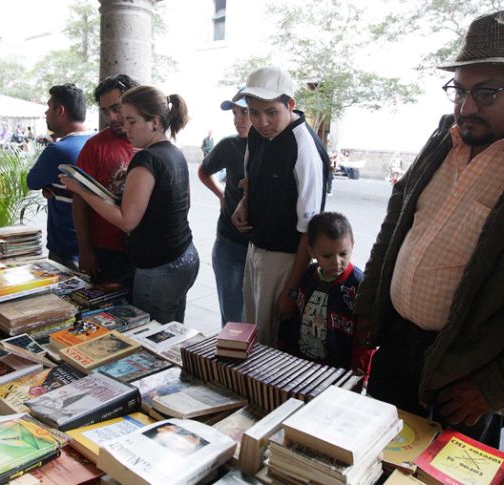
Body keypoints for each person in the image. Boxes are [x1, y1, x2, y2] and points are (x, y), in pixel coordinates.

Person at [352, 10, 504, 448]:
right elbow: (395, 228)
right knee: (377, 461)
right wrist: (368, 313)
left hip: (471, 375)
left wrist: (497, 389)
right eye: (460, 90)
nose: (466, 108)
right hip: (397, 348)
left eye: (486, 93)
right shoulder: (447, 134)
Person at [61, 85, 199, 324]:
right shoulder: (174, 152)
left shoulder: (147, 158)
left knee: (153, 334)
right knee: (174, 330)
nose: (125, 129)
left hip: (159, 266)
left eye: (131, 122)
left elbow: (127, 221)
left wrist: (81, 189)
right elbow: (183, 204)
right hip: (184, 255)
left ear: (155, 122)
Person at [231, 65, 330, 346]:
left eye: (271, 112)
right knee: (252, 332)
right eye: (254, 112)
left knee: (270, 342)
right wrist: (244, 202)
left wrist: (291, 290)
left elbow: (309, 229)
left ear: (290, 105)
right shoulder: (255, 135)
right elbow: (252, 178)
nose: (262, 122)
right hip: (254, 248)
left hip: (284, 259)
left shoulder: (304, 148)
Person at [278, 212, 373, 372]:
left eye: (343, 254)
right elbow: (292, 318)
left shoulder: (359, 286)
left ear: (352, 245)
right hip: (299, 366)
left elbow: (365, 336)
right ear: (312, 252)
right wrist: (283, 346)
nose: (337, 262)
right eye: (327, 256)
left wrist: (359, 373)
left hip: (338, 373)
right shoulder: (306, 276)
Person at [73, 74, 139, 291]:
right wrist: (85, 249)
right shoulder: (95, 146)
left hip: (144, 250)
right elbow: (79, 199)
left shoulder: (151, 141)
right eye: (105, 111)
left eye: (117, 108)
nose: (111, 117)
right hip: (107, 249)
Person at [197, 89, 251, 326]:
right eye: (235, 113)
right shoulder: (230, 145)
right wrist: (221, 195)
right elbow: (204, 171)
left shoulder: (272, 147)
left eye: (245, 112)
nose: (238, 119)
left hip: (262, 248)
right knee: (232, 320)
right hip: (229, 242)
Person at [27, 83, 93, 270]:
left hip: (65, 248)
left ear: (60, 111)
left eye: (48, 107)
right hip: (93, 246)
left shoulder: (58, 150)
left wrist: (48, 186)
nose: (46, 113)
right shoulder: (96, 143)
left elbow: (32, 182)